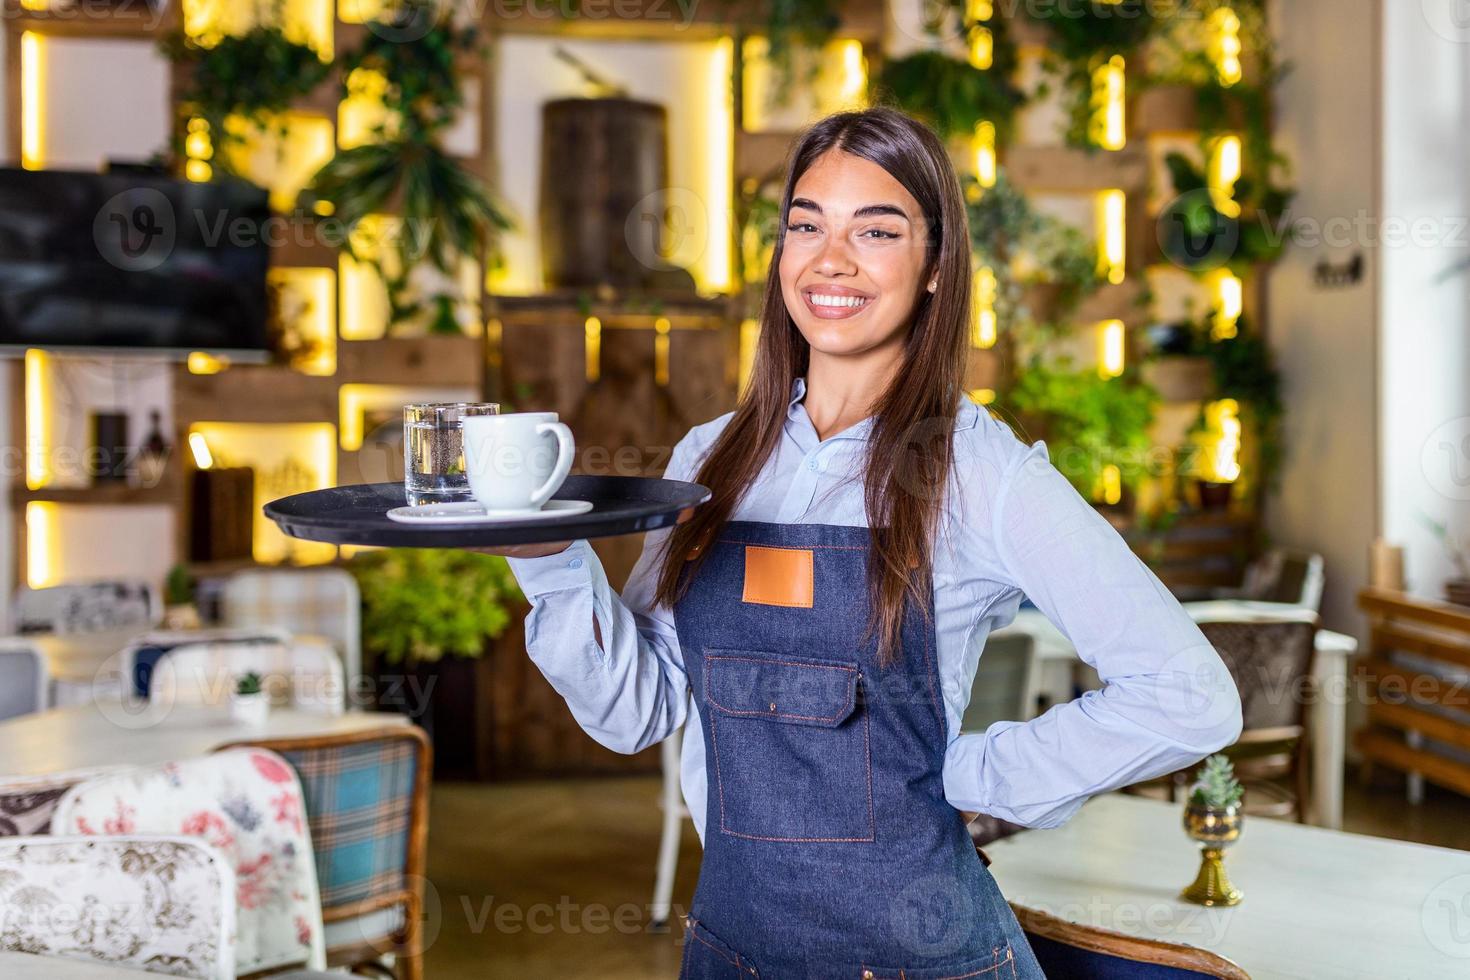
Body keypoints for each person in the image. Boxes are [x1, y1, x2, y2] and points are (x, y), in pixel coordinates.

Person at [480, 106, 1243, 979]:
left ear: (934, 267)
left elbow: (1188, 696)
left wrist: (966, 778)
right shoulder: (713, 456)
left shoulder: (977, 470)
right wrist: (548, 560)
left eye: (875, 230)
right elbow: (637, 711)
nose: (830, 259)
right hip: (733, 947)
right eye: (806, 224)